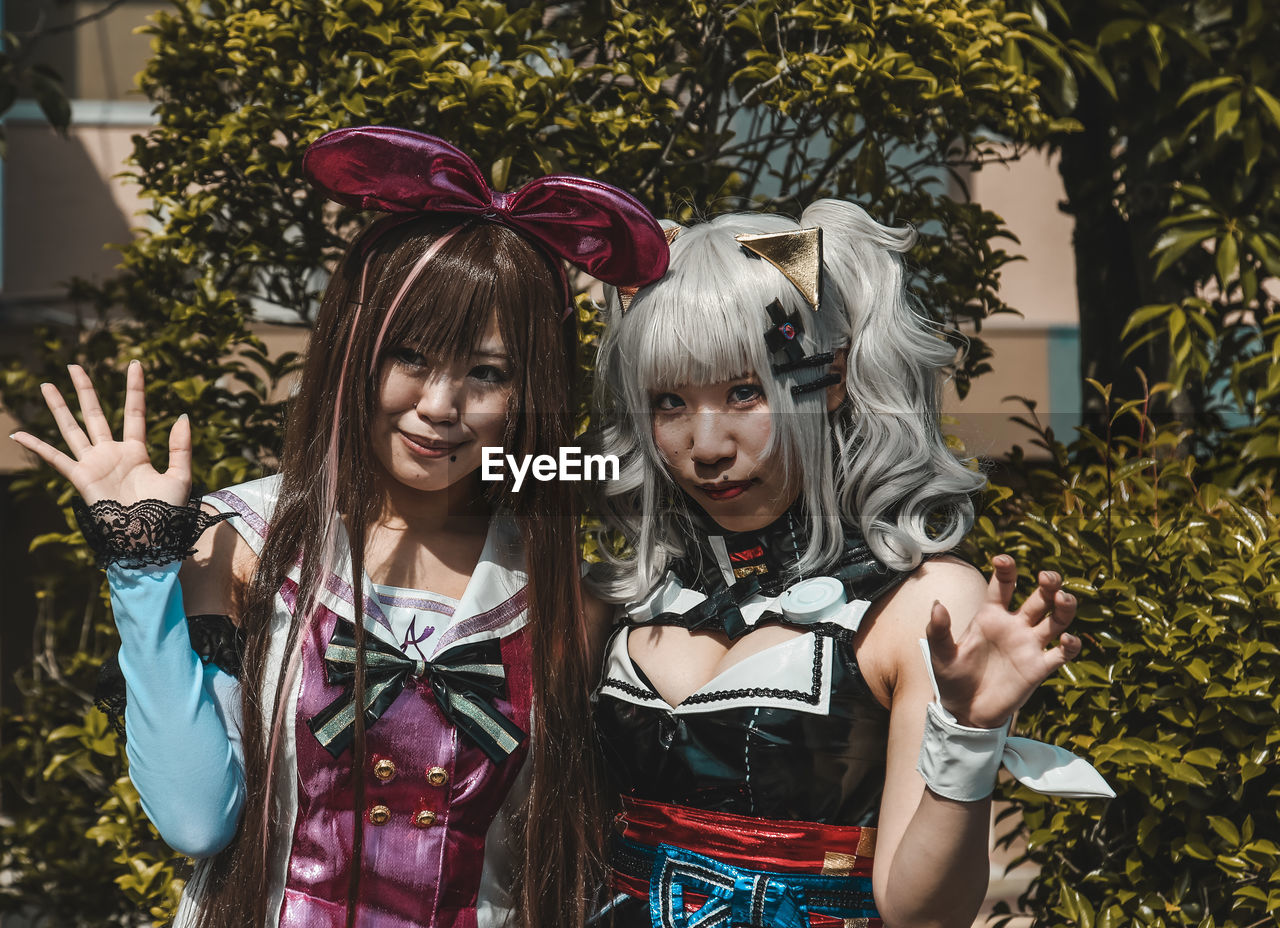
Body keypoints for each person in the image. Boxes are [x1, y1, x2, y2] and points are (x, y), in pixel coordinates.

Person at [11, 127, 669, 928]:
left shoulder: (564, 590)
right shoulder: (246, 539)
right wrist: (141, 563)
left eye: (487, 374)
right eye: (411, 358)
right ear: (354, 349)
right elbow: (196, 819)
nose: (439, 407)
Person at [587, 201, 1113, 928]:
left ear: (827, 378)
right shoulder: (622, 592)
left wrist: (968, 735)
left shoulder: (923, 603)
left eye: (745, 392)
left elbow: (922, 915)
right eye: (669, 401)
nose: (706, 445)